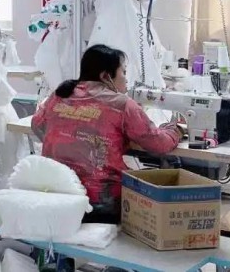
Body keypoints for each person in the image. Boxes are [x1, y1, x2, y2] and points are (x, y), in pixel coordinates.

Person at [31, 44, 182, 224]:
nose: (126, 79)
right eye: (123, 72)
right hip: (102, 203)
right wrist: (175, 129)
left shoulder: (60, 95)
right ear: (105, 76)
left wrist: (67, 141)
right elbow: (158, 143)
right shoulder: (121, 104)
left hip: (57, 195)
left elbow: (37, 124)